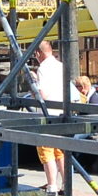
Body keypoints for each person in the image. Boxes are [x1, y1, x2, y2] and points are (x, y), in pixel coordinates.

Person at [31, 40, 67, 188]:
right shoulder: (61, 66)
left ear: (39, 53)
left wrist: (34, 84)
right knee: (60, 150)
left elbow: (42, 94)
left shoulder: (43, 69)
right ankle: (66, 183)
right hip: (62, 112)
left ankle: (52, 185)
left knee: (46, 150)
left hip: (48, 114)